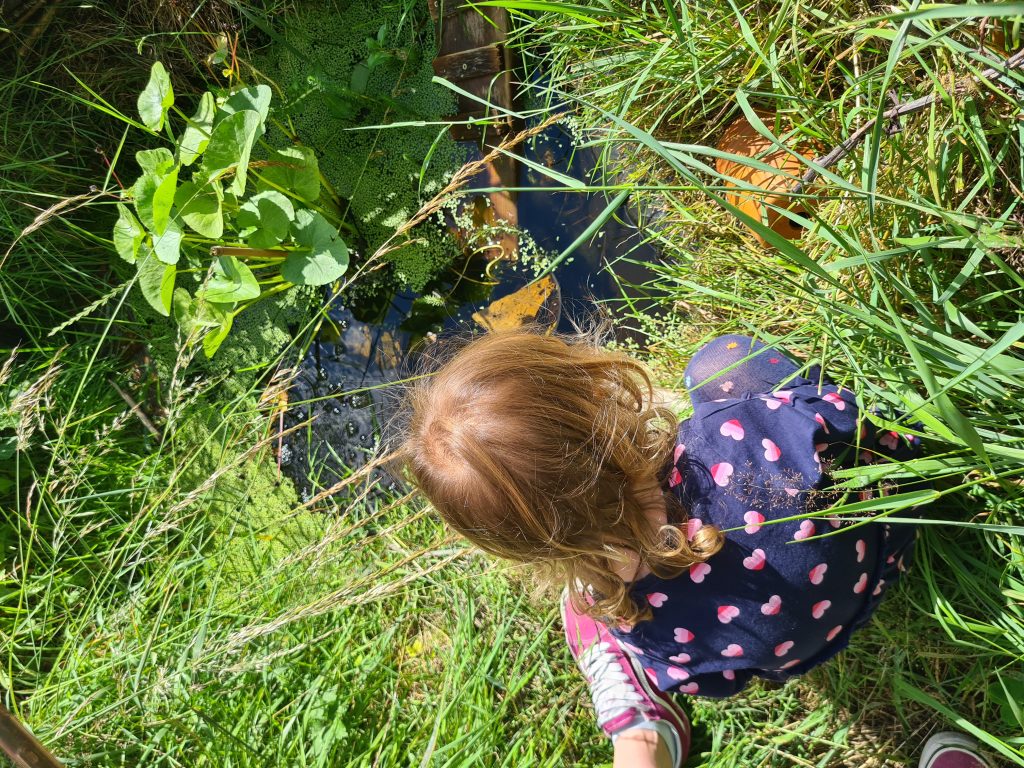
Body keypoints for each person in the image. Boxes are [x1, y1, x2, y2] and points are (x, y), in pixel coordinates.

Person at [394, 328, 924, 768]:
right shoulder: (727, 435)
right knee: (716, 362)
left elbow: (723, 682)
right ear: (598, 392)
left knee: (601, 614)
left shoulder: (638, 623)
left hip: (824, 635)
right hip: (893, 528)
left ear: (527, 547)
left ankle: (646, 728)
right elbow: (841, 414)